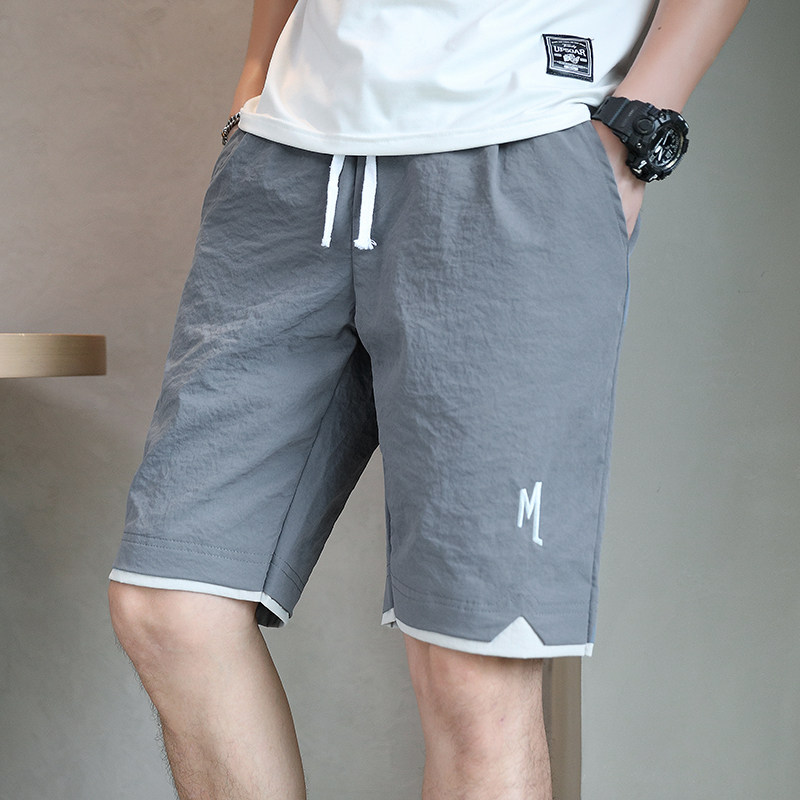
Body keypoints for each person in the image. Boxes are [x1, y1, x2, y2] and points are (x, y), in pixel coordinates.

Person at [107, 1, 749, 798]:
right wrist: (255, 82)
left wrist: (638, 122)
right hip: (288, 160)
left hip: (515, 147)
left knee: (472, 671)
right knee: (170, 610)